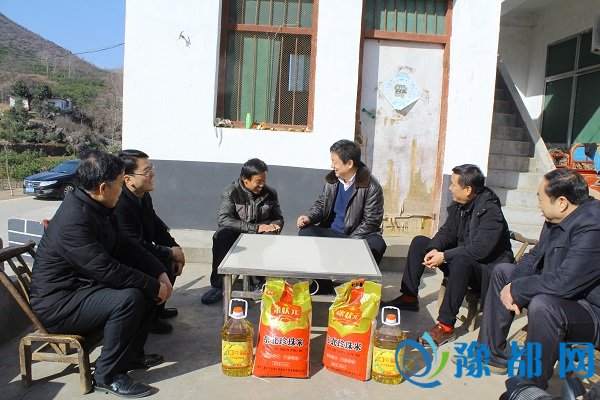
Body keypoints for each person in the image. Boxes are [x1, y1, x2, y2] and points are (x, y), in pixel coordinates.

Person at [29, 151, 173, 398]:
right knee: (129, 298)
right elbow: (105, 269)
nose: (122, 189)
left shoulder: (98, 205)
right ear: (103, 187)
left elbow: (125, 245)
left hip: (83, 289)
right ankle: (107, 375)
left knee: (147, 286)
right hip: (60, 304)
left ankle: (132, 355)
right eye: (119, 184)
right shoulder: (74, 221)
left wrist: (158, 272)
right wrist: (151, 284)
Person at [478, 168, 600, 390]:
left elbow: (566, 282)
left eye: (541, 199)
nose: (538, 204)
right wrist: (512, 285)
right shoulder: (556, 218)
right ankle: (490, 354)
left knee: (544, 306)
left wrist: (518, 290)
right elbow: (534, 256)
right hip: (563, 292)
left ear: (561, 202)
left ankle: (527, 387)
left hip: (590, 311)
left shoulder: (593, 226)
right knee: (503, 272)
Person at [383, 164, 514, 346]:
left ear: (468, 190)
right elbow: (447, 232)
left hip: (485, 271)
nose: (450, 188)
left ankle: (445, 327)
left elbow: (480, 250)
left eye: (454, 184)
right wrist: (434, 249)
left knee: (461, 260)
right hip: (462, 259)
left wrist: (444, 256)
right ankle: (409, 297)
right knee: (420, 243)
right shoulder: (460, 205)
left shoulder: (491, 212)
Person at [296, 139, 387, 289]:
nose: (332, 166)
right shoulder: (332, 181)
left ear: (349, 163)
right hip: (333, 232)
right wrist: (309, 217)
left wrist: (349, 243)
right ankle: (322, 284)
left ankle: (357, 287)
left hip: (358, 235)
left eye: (335, 161)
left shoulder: (371, 186)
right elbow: (321, 205)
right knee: (306, 232)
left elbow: (371, 221)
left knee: (377, 244)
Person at [115, 149, 186, 334]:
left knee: (170, 261)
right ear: (127, 179)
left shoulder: (143, 195)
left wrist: (174, 247)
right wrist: (169, 252)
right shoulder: (119, 203)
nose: (152, 174)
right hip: (126, 258)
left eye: (151, 168)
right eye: (146, 171)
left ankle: (156, 311)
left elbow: (156, 225)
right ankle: (148, 319)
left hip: (140, 251)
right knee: (161, 264)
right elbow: (133, 243)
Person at [201, 158, 284, 305]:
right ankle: (218, 285)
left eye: (264, 180)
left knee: (267, 237)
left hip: (260, 234)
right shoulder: (231, 192)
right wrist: (255, 228)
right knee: (221, 236)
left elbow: (278, 217)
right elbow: (223, 219)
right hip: (237, 231)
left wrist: (275, 225)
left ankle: (258, 282)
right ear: (245, 180)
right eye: (258, 181)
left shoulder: (270, 193)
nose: (262, 184)